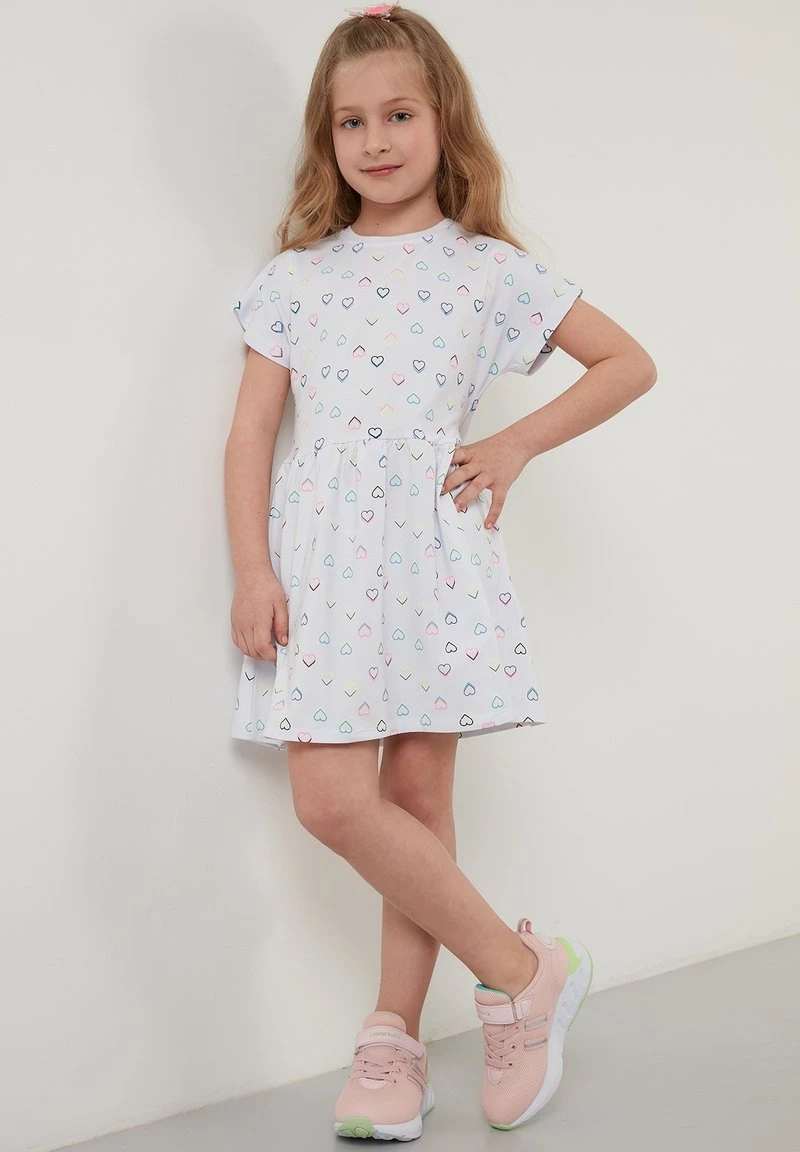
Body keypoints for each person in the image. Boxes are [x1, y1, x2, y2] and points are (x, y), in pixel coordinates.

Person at [224, 2, 656, 1141]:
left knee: (416, 803)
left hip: (430, 554)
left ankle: (393, 1039)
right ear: (326, 137)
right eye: (350, 122)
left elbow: (626, 363)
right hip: (323, 565)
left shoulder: (488, 270)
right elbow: (250, 432)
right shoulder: (295, 279)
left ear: (442, 118)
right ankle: (523, 970)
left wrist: (514, 445)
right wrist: (252, 572)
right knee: (333, 801)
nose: (375, 141)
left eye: (399, 114)